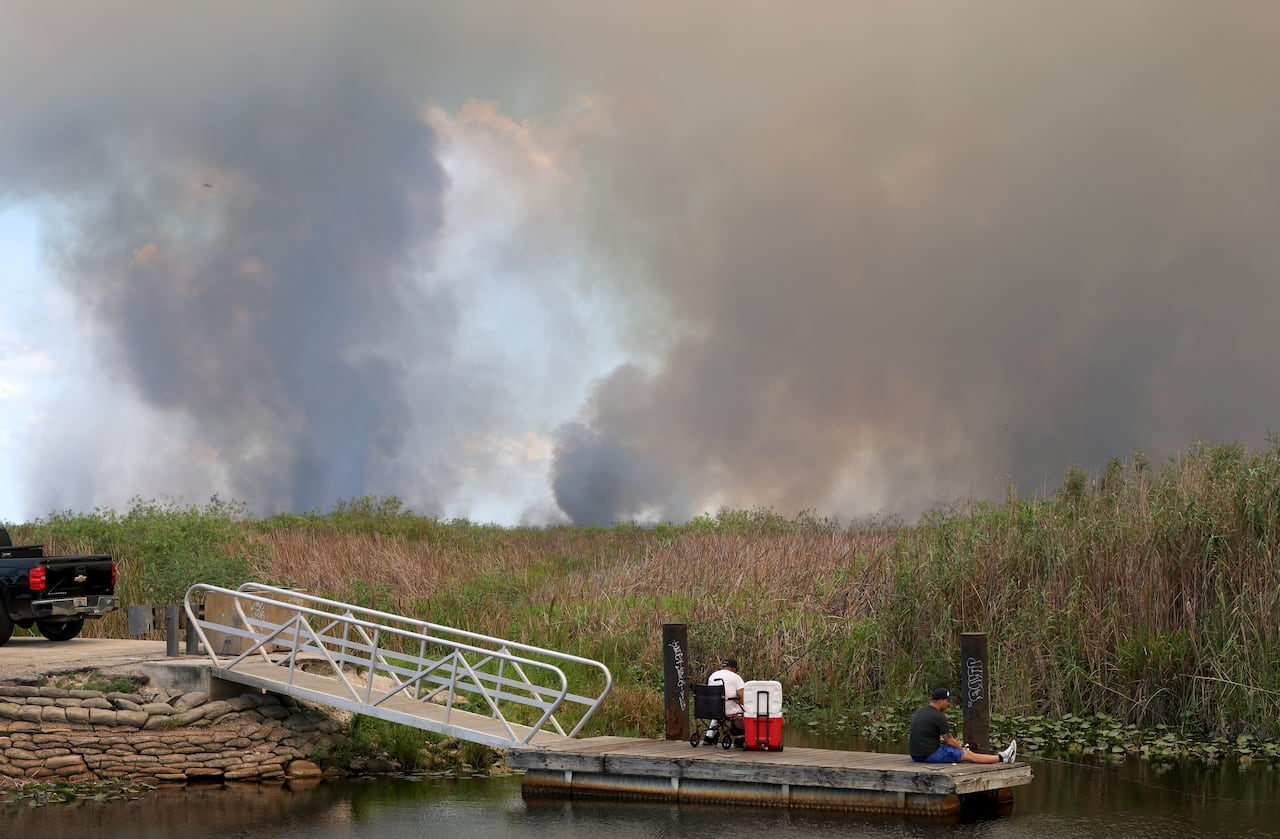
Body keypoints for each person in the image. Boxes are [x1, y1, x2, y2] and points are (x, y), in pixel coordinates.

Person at [908, 688, 1016, 764]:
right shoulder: (937, 716)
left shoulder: (921, 711)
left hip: (916, 755)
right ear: (940, 701)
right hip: (928, 755)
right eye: (947, 701)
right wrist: (962, 749)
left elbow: (925, 734)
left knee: (956, 751)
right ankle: (1004, 758)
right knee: (968, 755)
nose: (948, 704)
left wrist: (941, 741)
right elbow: (949, 740)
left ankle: (1000, 757)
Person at [702, 657, 747, 746]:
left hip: (713, 708)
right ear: (733, 668)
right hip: (728, 709)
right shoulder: (736, 677)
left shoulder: (713, 675)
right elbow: (741, 695)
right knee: (743, 712)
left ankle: (709, 737)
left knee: (718, 711)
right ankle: (740, 738)